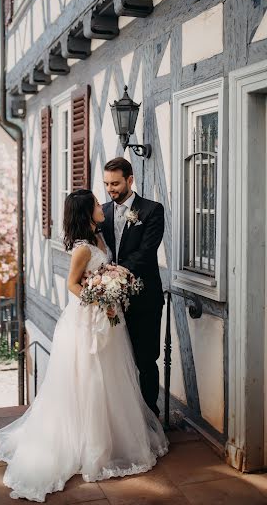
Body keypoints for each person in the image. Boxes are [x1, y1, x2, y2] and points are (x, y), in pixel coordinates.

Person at [0, 189, 168, 502]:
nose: (103, 206)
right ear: (87, 212)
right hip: (88, 320)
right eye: (97, 204)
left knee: (113, 375)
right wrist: (99, 299)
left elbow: (104, 271)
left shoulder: (99, 238)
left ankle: (116, 437)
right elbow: (72, 283)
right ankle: (91, 445)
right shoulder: (82, 249)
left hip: (109, 319)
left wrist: (111, 290)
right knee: (91, 378)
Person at [102, 157, 165, 416]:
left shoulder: (152, 210)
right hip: (110, 301)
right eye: (106, 184)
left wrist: (114, 273)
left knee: (146, 362)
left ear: (130, 180)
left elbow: (147, 252)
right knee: (115, 363)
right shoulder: (102, 211)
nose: (110, 189)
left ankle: (150, 419)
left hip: (144, 299)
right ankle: (123, 420)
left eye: (115, 183)